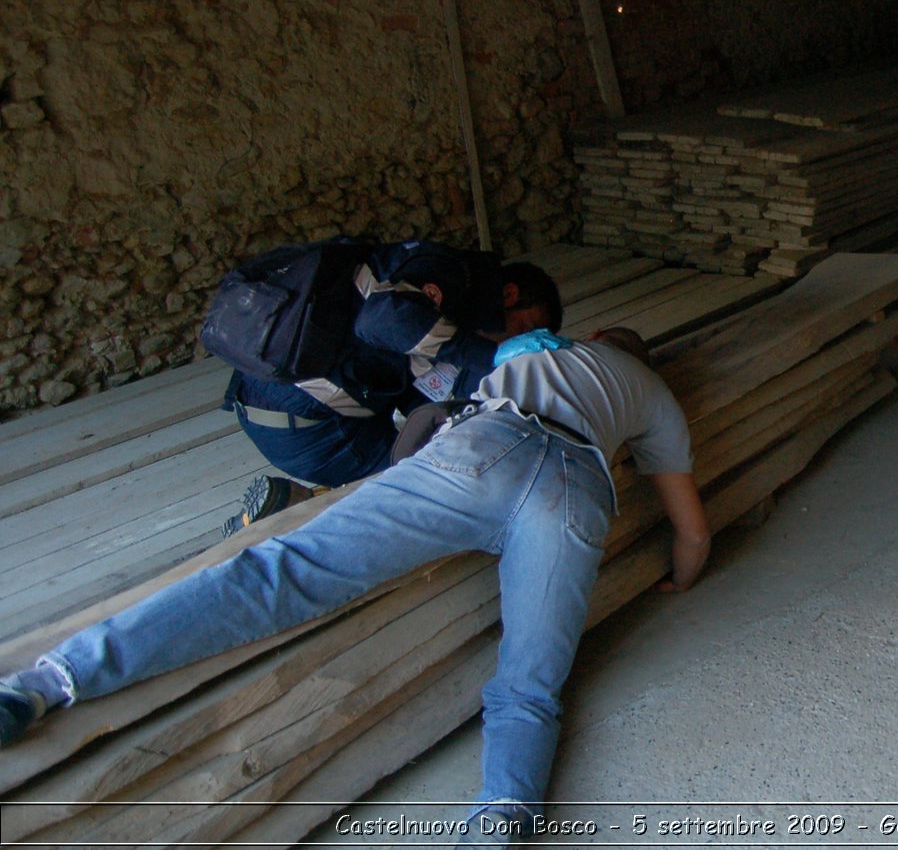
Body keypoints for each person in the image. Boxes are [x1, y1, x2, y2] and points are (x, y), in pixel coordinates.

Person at [0, 326, 710, 845]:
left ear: (590, 338)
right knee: (528, 684)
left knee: (283, 573)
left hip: (480, 448)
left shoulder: (535, 351)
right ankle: (497, 825)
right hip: (572, 490)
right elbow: (691, 534)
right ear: (642, 360)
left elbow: (428, 419)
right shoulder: (653, 396)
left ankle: (44, 683)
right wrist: (681, 580)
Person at [222, 251, 562, 535]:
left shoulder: (434, 275)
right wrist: (486, 356)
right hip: (307, 427)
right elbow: (379, 324)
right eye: (523, 330)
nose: (514, 345)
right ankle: (285, 519)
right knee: (419, 488)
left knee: (422, 451)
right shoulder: (451, 281)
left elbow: (412, 382)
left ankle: (301, 502)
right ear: (509, 295)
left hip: (265, 400)